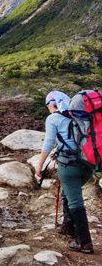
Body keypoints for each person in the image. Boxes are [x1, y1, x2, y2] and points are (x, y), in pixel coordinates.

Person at [34, 90, 94, 254]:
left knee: (75, 201)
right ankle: (68, 227)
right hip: (87, 164)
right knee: (69, 193)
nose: (48, 109)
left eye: (48, 106)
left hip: (69, 165)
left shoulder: (53, 118)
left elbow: (48, 143)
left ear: (52, 104)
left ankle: (84, 243)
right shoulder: (82, 115)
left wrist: (39, 165)